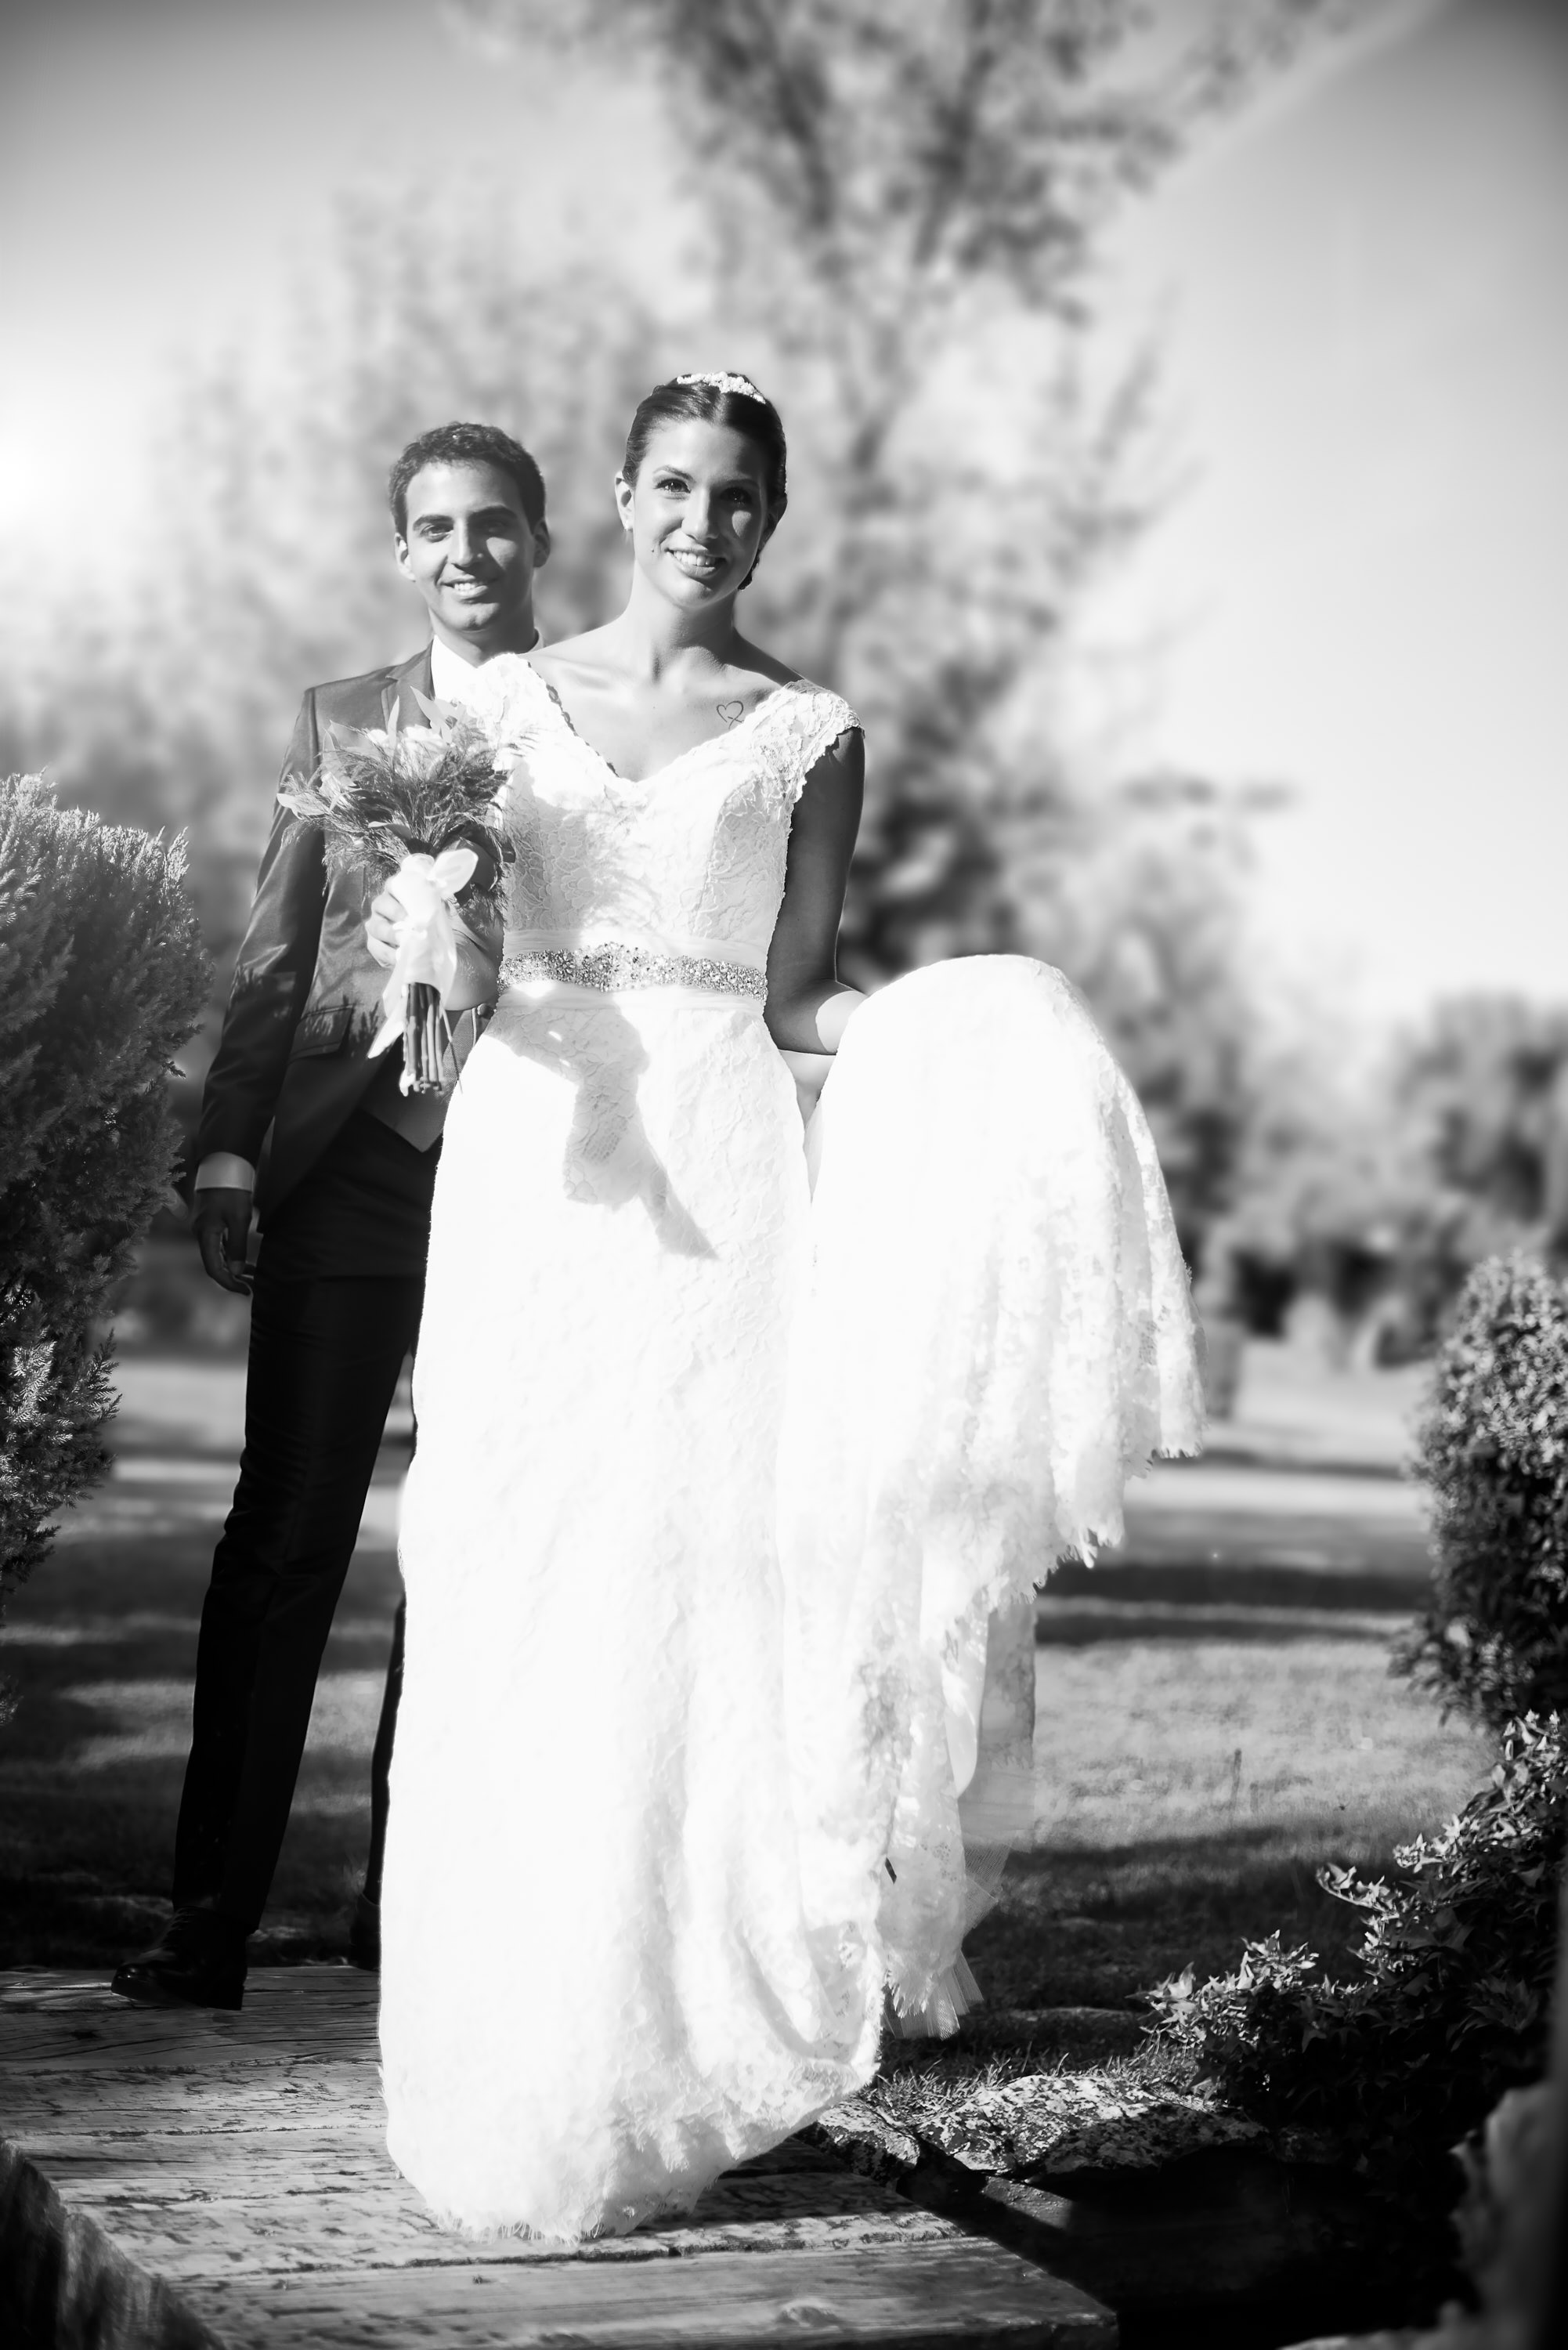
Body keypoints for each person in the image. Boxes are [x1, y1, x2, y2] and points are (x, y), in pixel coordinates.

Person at [374, 371, 1202, 2238]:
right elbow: (468, 949)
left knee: (691, 1580)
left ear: (769, 519)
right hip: (537, 1154)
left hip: (725, 1161)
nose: (702, 520)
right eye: (673, 485)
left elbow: (790, 991)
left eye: (737, 495)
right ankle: (497, 2046)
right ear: (620, 495)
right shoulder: (497, 703)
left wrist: (931, 1028)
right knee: (515, 1567)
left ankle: (655, 2039)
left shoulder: (809, 734)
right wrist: (434, 946)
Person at [111, 421, 550, 2012]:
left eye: (491, 525)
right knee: (284, 1539)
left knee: (478, 1548)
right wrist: (230, 1150)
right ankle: (207, 1921)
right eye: (433, 527)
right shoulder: (343, 718)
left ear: (540, 541)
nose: (463, 553)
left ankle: (405, 1917)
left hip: (527, 1172)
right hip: (350, 1164)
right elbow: (276, 947)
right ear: (401, 550)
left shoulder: (593, 718)